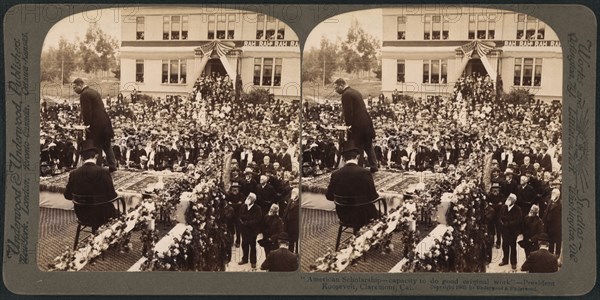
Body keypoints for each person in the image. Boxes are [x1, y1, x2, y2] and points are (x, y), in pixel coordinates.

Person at [63, 139, 118, 232]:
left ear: (83, 158)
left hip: (82, 214)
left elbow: (67, 195)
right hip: (102, 214)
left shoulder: (74, 173)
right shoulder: (104, 172)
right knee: (118, 212)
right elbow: (112, 195)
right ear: (96, 156)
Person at [325, 141, 379, 233]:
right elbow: (374, 196)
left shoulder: (335, 174)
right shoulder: (365, 173)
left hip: (344, 215)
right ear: (357, 157)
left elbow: (329, 196)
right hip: (363, 215)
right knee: (379, 213)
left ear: (343, 158)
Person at [72, 78, 117, 172]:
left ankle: (98, 168)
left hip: (96, 124)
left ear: (80, 85)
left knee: (97, 145)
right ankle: (113, 165)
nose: (74, 90)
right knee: (106, 144)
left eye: (75, 87)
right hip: (105, 122)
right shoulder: (93, 91)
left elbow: (87, 112)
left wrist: (87, 125)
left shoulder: (84, 94)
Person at [333, 78, 378, 173]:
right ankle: (374, 166)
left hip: (358, 125)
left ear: (341, 85)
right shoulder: (355, 92)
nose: (336, 91)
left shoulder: (346, 94)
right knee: (368, 145)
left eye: (337, 88)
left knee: (358, 146)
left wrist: (348, 125)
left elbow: (348, 112)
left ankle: (359, 169)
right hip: (367, 123)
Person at [238, 192, 263, 269]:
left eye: (250, 198)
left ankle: (253, 261)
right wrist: (242, 222)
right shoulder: (243, 206)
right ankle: (244, 259)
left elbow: (257, 219)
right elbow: (240, 215)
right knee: (244, 245)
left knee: (252, 246)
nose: (248, 198)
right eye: (248, 197)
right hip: (244, 230)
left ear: (253, 200)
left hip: (252, 231)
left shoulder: (257, 208)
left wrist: (247, 222)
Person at [498, 193, 522, 270]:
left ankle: (513, 262)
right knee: (505, 246)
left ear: (514, 201)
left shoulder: (517, 209)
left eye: (510, 199)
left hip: (512, 232)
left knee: (513, 247)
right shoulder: (503, 207)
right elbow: (500, 217)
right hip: (505, 231)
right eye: (508, 198)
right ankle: (505, 260)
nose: (508, 199)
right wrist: (503, 223)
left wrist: (507, 223)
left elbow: (517, 220)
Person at [542, 188, 562, 258]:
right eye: (552, 193)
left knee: (557, 241)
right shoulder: (550, 201)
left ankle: (557, 254)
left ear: (558, 195)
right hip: (549, 225)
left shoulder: (560, 204)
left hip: (557, 226)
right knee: (551, 241)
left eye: (554, 194)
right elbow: (546, 211)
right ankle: (550, 254)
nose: (552, 195)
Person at [225, 181, 245, 248]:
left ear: (238, 189)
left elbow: (241, 204)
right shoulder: (229, 195)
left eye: (236, 188)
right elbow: (227, 204)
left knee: (238, 229)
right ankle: (231, 241)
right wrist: (236, 204)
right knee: (231, 228)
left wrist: (232, 204)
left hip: (238, 215)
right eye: (233, 188)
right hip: (231, 215)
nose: (235, 189)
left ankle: (238, 242)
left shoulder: (241, 195)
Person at [282, 187, 300, 253]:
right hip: (288, 224)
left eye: (294, 193)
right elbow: (286, 210)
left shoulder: (298, 203)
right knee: (290, 241)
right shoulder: (291, 200)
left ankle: (296, 252)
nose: (292, 194)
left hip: (294, 225)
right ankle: (290, 252)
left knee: (295, 240)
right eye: (292, 192)